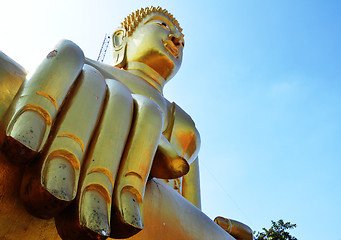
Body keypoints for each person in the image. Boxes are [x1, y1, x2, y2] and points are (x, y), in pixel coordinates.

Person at [0, 6, 251, 240]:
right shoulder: (83, 68)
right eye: (163, 25)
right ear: (121, 39)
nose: (177, 40)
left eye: (182, 40)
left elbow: (190, 207)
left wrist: (210, 231)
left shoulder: (186, 126)